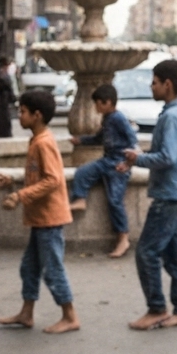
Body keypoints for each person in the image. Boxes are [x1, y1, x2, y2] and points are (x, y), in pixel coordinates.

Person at [0, 90, 80, 334]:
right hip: (40, 218)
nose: (19, 116)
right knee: (29, 267)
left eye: (23, 112)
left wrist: (20, 196)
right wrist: (10, 182)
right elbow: (37, 177)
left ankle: (70, 315)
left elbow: (53, 180)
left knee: (52, 269)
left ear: (37, 115)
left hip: (49, 219)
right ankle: (27, 313)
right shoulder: (37, 141)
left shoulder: (44, 143)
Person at [120, 59, 177, 330]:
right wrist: (136, 158)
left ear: (168, 84)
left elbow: (168, 157)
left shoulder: (172, 116)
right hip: (175, 191)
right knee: (175, 255)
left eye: (154, 82)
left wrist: (138, 159)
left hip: (170, 194)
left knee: (147, 252)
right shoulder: (173, 113)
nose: (151, 86)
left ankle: (157, 308)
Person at [68, 83, 139, 258]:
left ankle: (123, 238)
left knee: (115, 200)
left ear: (107, 103)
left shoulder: (119, 118)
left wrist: (127, 163)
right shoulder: (107, 119)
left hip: (118, 164)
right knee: (83, 172)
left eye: (98, 103)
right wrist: (82, 140)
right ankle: (80, 198)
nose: (96, 107)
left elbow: (133, 142)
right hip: (107, 160)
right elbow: (99, 139)